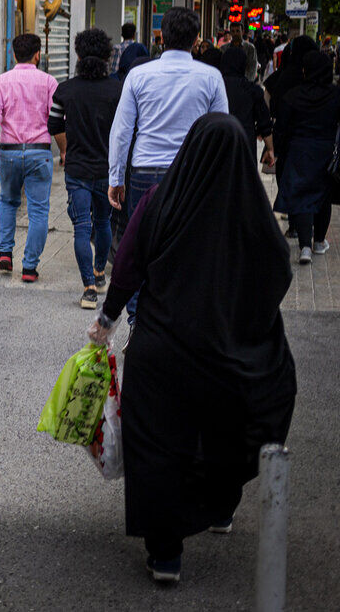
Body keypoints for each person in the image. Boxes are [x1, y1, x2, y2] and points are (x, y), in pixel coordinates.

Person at [89, 114, 295, 584]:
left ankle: (165, 554)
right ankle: (220, 505)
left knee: (161, 444)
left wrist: (106, 319)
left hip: (165, 349)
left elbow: (127, 265)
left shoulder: (160, 201)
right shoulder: (252, 212)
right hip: (234, 352)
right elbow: (278, 272)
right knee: (237, 422)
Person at [109, 7, 227, 323]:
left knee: (139, 245)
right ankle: (180, 317)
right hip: (192, 173)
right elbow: (221, 133)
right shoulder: (211, 77)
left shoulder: (138, 75)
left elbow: (122, 131)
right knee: (188, 243)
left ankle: (137, 320)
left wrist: (116, 177)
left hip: (145, 171)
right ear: (197, 39)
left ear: (161, 38)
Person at [48, 28, 121, 309]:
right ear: (106, 56)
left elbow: (54, 126)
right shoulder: (117, 90)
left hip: (77, 169)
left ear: (77, 55)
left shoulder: (65, 90)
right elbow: (125, 130)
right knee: (103, 222)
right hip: (107, 170)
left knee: (81, 226)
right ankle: (101, 272)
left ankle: (88, 287)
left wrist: (66, 149)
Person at [0, 33, 57, 282]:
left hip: (10, 151)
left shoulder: (2, 81)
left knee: (7, 201)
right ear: (38, 55)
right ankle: (29, 267)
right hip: (40, 152)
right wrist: (65, 150)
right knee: (38, 211)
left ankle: (5, 253)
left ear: (14, 54)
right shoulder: (49, 82)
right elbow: (57, 122)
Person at [272, 50, 340, 263]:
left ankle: (304, 247)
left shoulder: (293, 95)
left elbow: (281, 127)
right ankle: (319, 241)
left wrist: (278, 151)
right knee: (323, 196)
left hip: (299, 150)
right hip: (326, 151)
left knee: (302, 197)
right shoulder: (336, 95)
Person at [220, 46, 274, 165]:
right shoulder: (253, 90)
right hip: (245, 144)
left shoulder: (215, 88)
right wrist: (270, 149)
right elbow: (264, 123)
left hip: (219, 144)